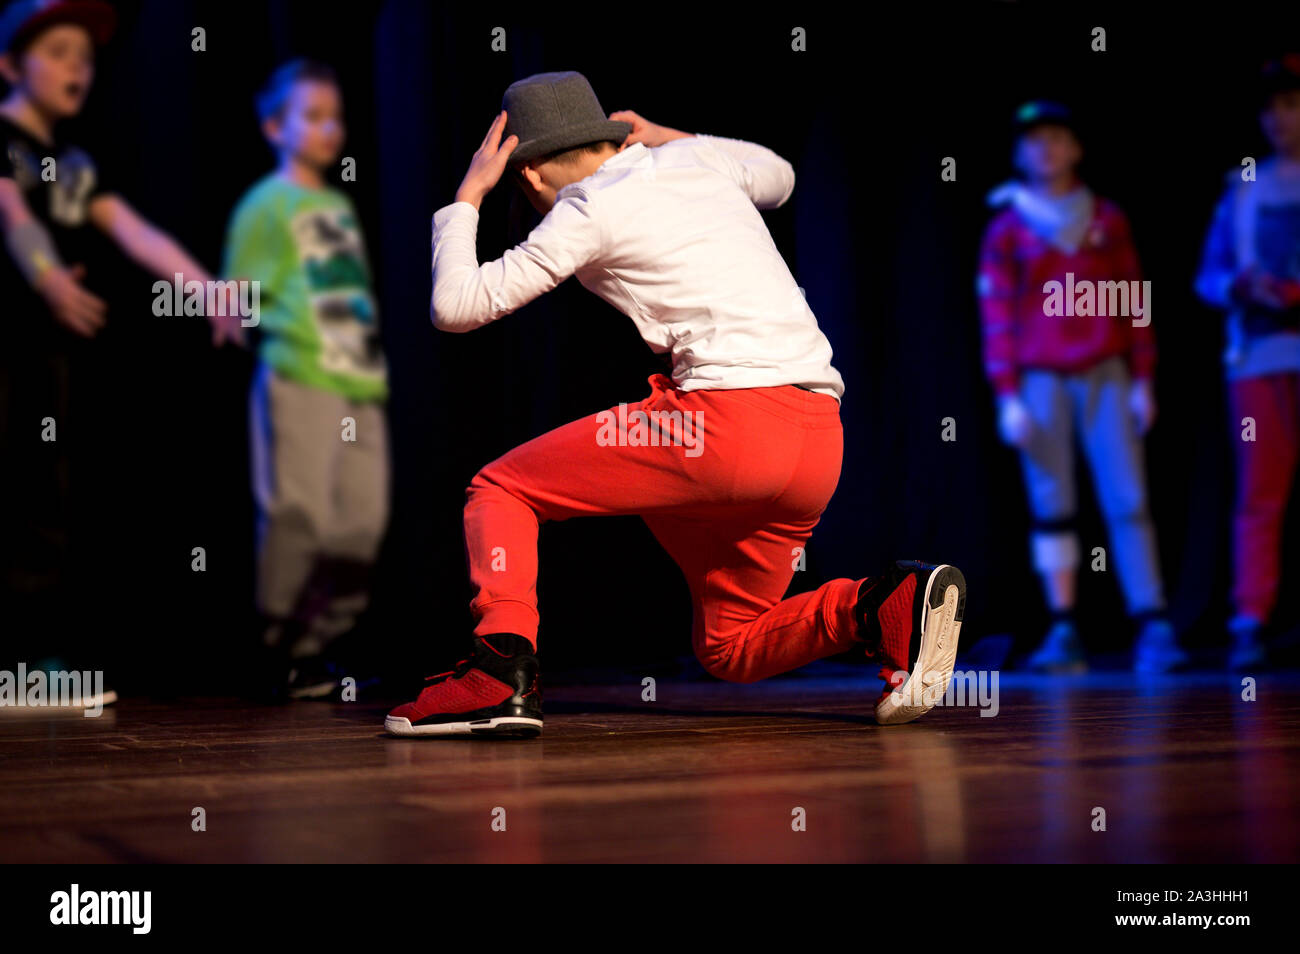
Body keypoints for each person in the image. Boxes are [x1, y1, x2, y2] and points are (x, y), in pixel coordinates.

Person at [385, 71, 966, 737]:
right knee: (730, 644)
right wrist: (670, 136)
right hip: (816, 441)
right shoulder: (694, 158)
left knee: (501, 489)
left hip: (721, 430)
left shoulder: (586, 207)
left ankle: (499, 671)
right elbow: (778, 175)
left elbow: (455, 306)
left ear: (530, 175)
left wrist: (466, 198)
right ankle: (884, 604)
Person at [0, 0, 242, 709]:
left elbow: (136, 233)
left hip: (51, 358)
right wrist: (46, 278)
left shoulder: (74, 163)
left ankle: (25, 662)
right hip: (11, 346)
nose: (78, 65)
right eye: (58, 50)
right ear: (10, 64)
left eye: (85, 53)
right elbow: (13, 217)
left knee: (45, 498)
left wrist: (206, 290)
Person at [976, 100, 1185, 674]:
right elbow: (996, 314)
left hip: (1106, 376)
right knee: (1051, 505)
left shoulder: (1105, 219)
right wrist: (1008, 395)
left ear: (1076, 149)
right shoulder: (1008, 227)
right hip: (1040, 380)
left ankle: (1152, 621)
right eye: (1033, 140)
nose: (1045, 149)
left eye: (1056, 139)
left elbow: (1133, 299)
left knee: (1128, 497)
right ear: (1020, 153)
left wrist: (1143, 379)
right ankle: (1064, 626)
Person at [223, 59, 389, 700]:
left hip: (359, 386)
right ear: (274, 126)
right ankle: (276, 648)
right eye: (311, 116)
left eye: (335, 117)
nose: (328, 129)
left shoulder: (337, 206)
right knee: (299, 516)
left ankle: (318, 649)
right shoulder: (267, 204)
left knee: (359, 523)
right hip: (299, 375)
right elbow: (243, 286)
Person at [1195, 54, 1300, 670]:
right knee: (1261, 494)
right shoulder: (1244, 188)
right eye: (1272, 107)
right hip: (1258, 361)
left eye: (1291, 104)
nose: (1280, 118)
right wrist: (1242, 286)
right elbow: (1208, 277)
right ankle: (1249, 623)